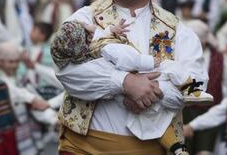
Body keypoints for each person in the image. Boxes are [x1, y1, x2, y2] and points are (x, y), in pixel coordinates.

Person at [51, 0, 208, 155]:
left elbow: (198, 85)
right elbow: (67, 74)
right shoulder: (83, 20)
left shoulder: (177, 30)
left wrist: (153, 92)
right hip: (81, 148)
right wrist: (124, 82)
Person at [51, 19, 212, 154]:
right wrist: (129, 80)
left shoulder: (178, 28)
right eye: (88, 29)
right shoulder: (98, 39)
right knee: (169, 69)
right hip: (84, 144)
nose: (91, 28)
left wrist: (144, 87)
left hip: (128, 98)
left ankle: (189, 93)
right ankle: (189, 92)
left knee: (153, 113)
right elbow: (125, 59)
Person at [0, 42, 52, 155]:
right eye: (10, 62)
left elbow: (36, 102)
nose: (14, 65)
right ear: (0, 61)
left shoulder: (21, 80)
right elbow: (9, 89)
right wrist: (32, 99)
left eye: (16, 61)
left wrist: (53, 119)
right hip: (0, 133)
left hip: (20, 134)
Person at [182, 20, 223, 155]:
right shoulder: (180, 57)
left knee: (204, 152)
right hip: (185, 111)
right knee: (183, 150)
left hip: (210, 111)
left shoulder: (220, 58)